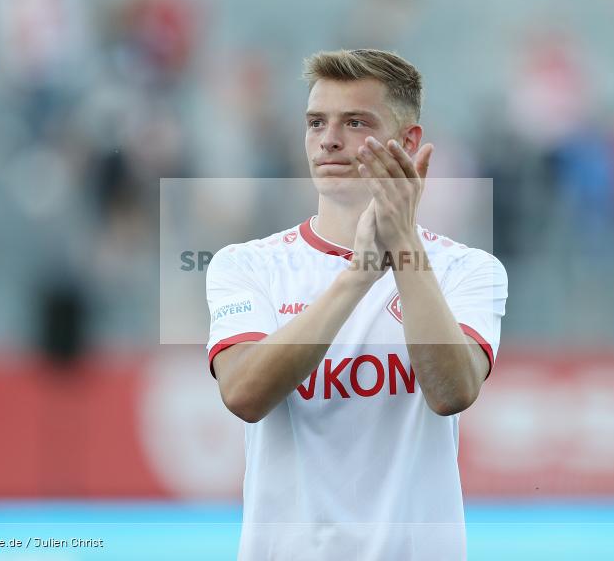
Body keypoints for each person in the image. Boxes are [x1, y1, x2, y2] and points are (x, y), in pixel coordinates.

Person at [205, 49, 508, 560]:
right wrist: (358, 275)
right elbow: (244, 395)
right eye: (316, 122)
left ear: (408, 142)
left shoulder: (468, 270)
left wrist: (402, 246)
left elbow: (452, 391)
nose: (328, 139)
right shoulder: (246, 265)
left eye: (355, 122)